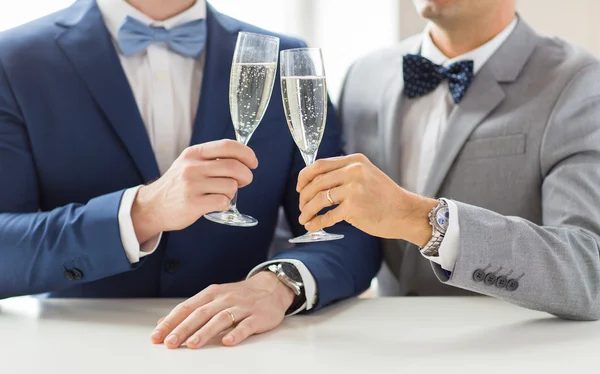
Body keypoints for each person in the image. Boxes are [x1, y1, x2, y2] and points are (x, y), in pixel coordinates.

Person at [0, 0, 381, 348]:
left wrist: (280, 283)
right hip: (72, 349)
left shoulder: (283, 56)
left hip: (244, 349)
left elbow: (349, 228)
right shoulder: (15, 59)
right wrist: (142, 211)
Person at [296, 0, 600, 320]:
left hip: (509, 350)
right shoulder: (364, 76)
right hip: (380, 346)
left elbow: (588, 272)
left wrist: (422, 219)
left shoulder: (576, 82)